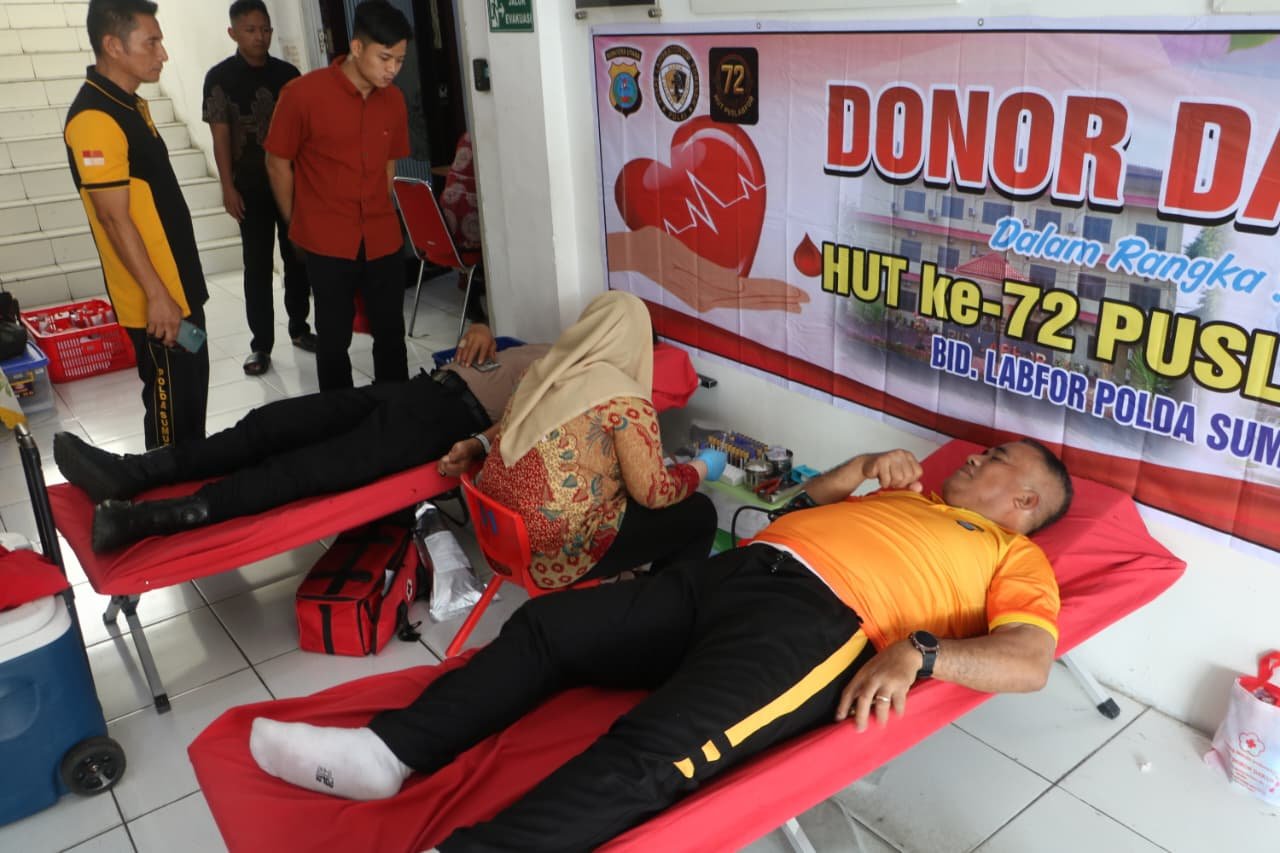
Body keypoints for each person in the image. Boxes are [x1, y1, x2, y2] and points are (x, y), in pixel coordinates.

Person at [247, 438, 1073, 852]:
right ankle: (386, 753)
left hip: (821, 625)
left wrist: (922, 650)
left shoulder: (1014, 555)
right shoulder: (913, 497)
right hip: (735, 573)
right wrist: (858, 466)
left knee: (651, 754)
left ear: (1027, 501)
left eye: (997, 459)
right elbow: (791, 509)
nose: (975, 456)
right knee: (549, 626)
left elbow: (1029, 660)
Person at [53, 324, 519, 553]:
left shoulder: (566, 378)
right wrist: (481, 328)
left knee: (307, 467)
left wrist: (480, 443)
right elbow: (492, 339)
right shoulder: (547, 349)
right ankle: (131, 473)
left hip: (453, 418)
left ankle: (143, 520)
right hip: (423, 387)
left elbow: (536, 423)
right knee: (270, 423)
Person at [471, 291, 722, 588]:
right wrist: (700, 468)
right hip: (550, 555)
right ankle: (660, 603)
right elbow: (654, 493)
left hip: (497, 533)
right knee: (699, 514)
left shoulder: (539, 374)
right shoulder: (626, 402)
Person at [65, 0, 209, 447]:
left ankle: (196, 485)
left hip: (179, 289)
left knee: (191, 405)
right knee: (170, 424)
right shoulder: (94, 118)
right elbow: (113, 218)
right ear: (113, 45)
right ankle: (166, 491)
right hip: (157, 303)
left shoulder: (128, 105)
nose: (163, 53)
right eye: (151, 42)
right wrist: (157, 296)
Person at [264, 0, 412, 391]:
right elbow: (277, 163)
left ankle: (395, 411)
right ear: (357, 47)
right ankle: (338, 416)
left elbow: (388, 166)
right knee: (333, 339)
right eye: (385, 58)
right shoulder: (303, 95)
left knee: (391, 334)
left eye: (399, 60)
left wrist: (380, 208)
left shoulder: (394, 101)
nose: (392, 70)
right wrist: (296, 223)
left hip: (382, 237)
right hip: (327, 238)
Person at [203, 0, 314, 377]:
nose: (260, 36)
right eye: (250, 30)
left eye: (265, 29)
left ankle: (300, 328)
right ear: (233, 33)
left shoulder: (288, 75)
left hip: (291, 182)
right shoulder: (219, 78)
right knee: (257, 264)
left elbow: (305, 132)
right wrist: (227, 186)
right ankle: (261, 345)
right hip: (248, 186)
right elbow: (220, 137)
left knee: (298, 256)